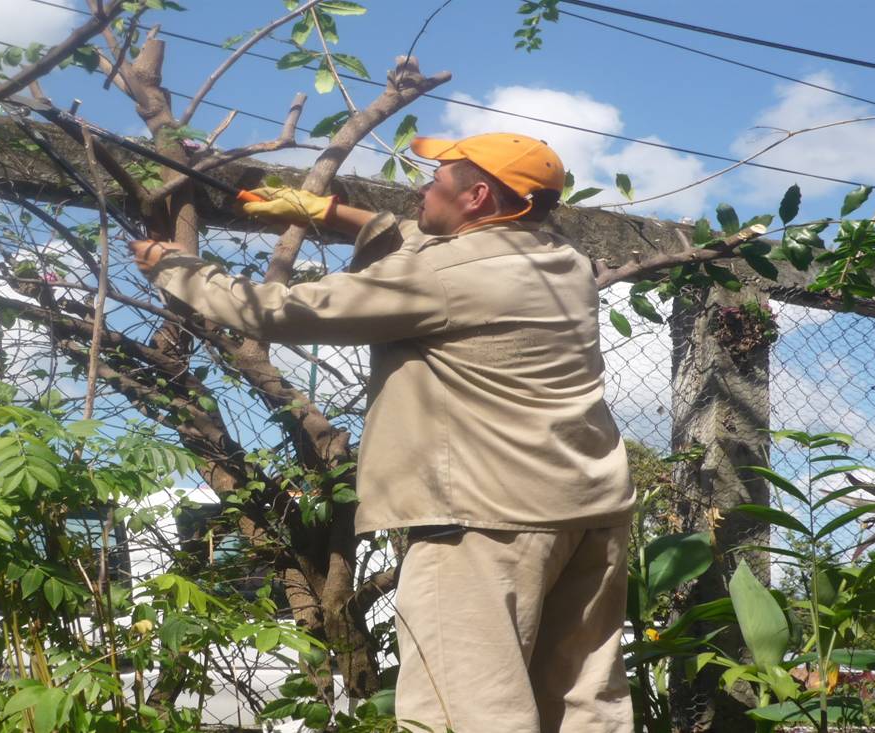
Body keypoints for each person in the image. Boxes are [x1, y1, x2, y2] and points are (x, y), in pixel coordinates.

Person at [130, 132, 634, 733]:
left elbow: (278, 309)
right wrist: (329, 213)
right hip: (588, 511)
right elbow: (443, 241)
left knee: (464, 714)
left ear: (475, 196)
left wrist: (177, 268)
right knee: (581, 703)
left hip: (484, 522)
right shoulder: (560, 261)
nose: (423, 186)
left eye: (437, 179)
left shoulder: (443, 277)